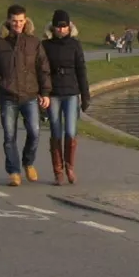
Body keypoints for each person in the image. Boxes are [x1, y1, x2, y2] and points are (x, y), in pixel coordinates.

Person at [0, 5, 52, 187]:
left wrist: (45, 92)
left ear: (26, 21)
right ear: (8, 21)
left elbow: (43, 68)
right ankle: (13, 171)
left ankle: (28, 162)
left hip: (29, 95)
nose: (18, 24)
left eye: (21, 21)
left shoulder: (33, 42)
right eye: (14, 21)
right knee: (9, 136)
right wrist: (0, 82)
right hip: (8, 96)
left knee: (35, 132)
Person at [42, 10, 90, 185]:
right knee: (56, 131)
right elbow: (42, 71)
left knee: (70, 131)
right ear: (52, 27)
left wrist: (85, 96)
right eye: (58, 26)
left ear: (69, 27)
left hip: (71, 92)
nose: (61, 30)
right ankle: (58, 170)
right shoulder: (46, 45)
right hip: (53, 93)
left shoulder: (75, 45)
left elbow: (81, 70)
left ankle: (69, 167)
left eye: (64, 26)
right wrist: (43, 94)